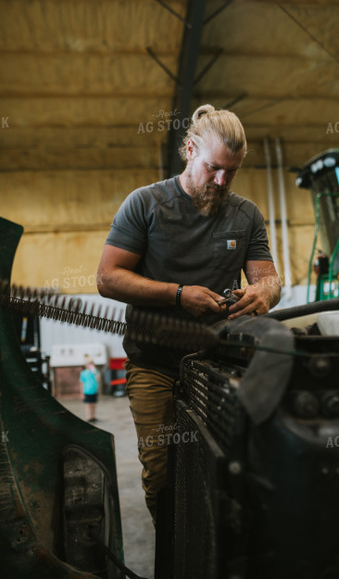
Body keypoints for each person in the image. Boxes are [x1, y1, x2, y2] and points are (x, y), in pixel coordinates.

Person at [97, 104, 281, 523]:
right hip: (155, 364)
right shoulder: (144, 204)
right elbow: (108, 278)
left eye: (231, 172)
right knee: (161, 474)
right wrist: (179, 294)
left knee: (228, 469)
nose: (221, 181)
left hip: (219, 364)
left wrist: (263, 294)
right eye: (214, 167)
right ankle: (172, 549)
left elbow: (269, 279)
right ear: (189, 149)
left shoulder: (246, 214)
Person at [79, 355, 99, 422]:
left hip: (94, 391)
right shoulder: (83, 373)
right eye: (88, 364)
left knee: (94, 404)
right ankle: (88, 417)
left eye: (91, 363)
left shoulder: (95, 372)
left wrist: (95, 372)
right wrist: (81, 393)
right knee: (88, 405)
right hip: (87, 391)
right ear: (85, 365)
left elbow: (98, 379)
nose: (90, 365)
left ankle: (93, 416)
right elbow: (81, 383)